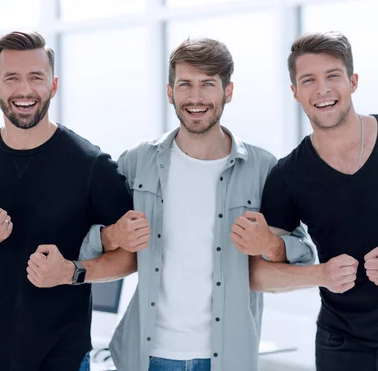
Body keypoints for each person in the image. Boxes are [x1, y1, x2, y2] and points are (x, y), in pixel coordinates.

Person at [34, 37, 315, 371]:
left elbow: (303, 254)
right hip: (145, 357)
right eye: (185, 84)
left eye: (208, 84)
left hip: (227, 360)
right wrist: (110, 236)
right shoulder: (137, 163)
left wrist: (270, 243)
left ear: (228, 91)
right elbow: (100, 246)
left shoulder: (263, 168)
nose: (196, 98)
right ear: (170, 92)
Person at [0, 31, 144, 371]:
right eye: (12, 78)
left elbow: (129, 257)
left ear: (54, 84)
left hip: (62, 356)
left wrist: (72, 273)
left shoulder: (91, 165)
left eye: (36, 77)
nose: (24, 90)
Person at [239, 31, 378, 371]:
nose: (323, 89)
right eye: (309, 80)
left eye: (333, 75)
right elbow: (258, 275)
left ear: (353, 81)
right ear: (295, 92)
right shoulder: (288, 175)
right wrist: (321, 274)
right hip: (342, 346)